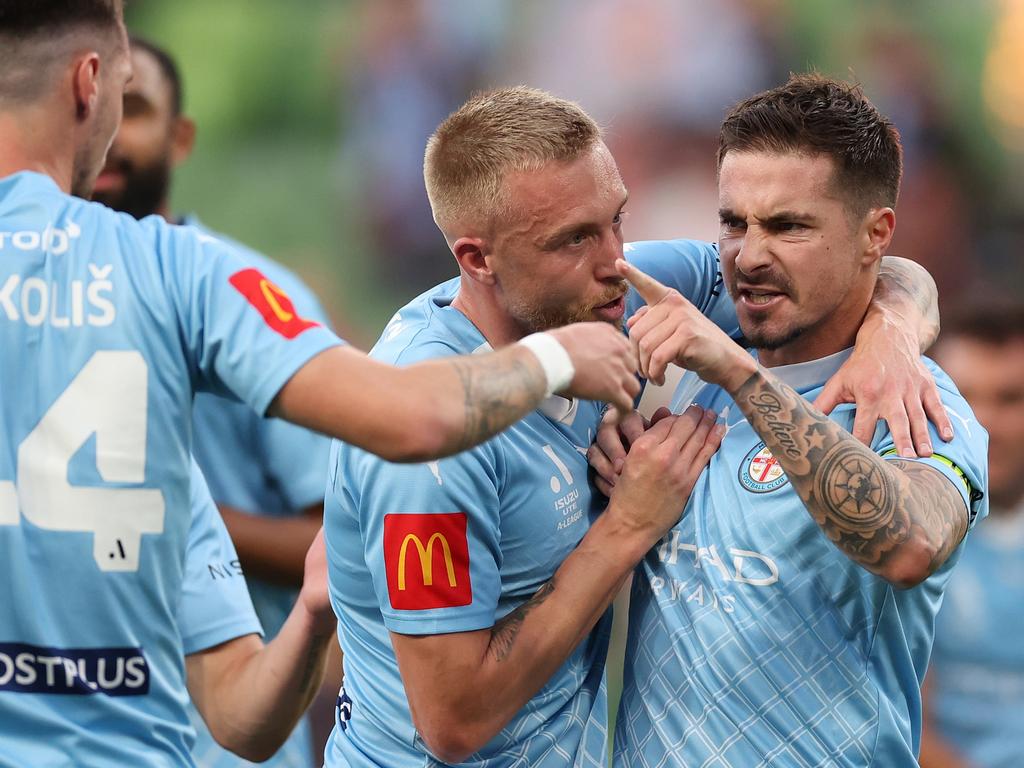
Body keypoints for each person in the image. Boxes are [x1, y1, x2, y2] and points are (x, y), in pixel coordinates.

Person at [0, 3, 640, 765]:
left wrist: (311, 608)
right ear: (88, 83)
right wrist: (563, 358)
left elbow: (242, 719)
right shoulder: (177, 273)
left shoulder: (153, 430)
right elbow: (413, 419)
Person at [324, 85, 952, 767]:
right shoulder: (429, 435)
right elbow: (453, 723)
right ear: (478, 259)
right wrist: (626, 525)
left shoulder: (597, 291)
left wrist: (891, 333)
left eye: (615, 220)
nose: (615, 261)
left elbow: (831, 267)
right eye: (574, 239)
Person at [590, 73, 989, 767]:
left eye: (788, 225)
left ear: (876, 236)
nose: (749, 255)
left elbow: (911, 546)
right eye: (733, 222)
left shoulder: (916, 402)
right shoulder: (705, 348)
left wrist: (739, 377)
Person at [91, 36, 332, 768]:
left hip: (224, 741)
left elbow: (340, 539)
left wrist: (154, 510)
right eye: (97, 107)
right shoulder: (27, 296)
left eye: (132, 109)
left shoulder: (256, 300)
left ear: (182, 137)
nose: (106, 133)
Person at [918, 305, 1024, 768]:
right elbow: (884, 716)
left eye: (1010, 399)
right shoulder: (897, 535)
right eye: (962, 399)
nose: (983, 425)